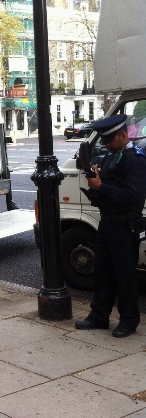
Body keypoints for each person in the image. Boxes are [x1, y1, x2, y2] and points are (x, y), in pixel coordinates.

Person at [75, 114, 146, 337]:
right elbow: (105, 191)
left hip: (125, 226)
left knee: (125, 275)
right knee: (103, 272)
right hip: (107, 223)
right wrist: (94, 185)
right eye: (104, 141)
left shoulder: (136, 160)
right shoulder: (109, 158)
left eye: (109, 140)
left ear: (124, 135)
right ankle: (99, 315)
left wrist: (101, 187)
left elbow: (133, 197)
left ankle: (128, 320)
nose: (105, 144)